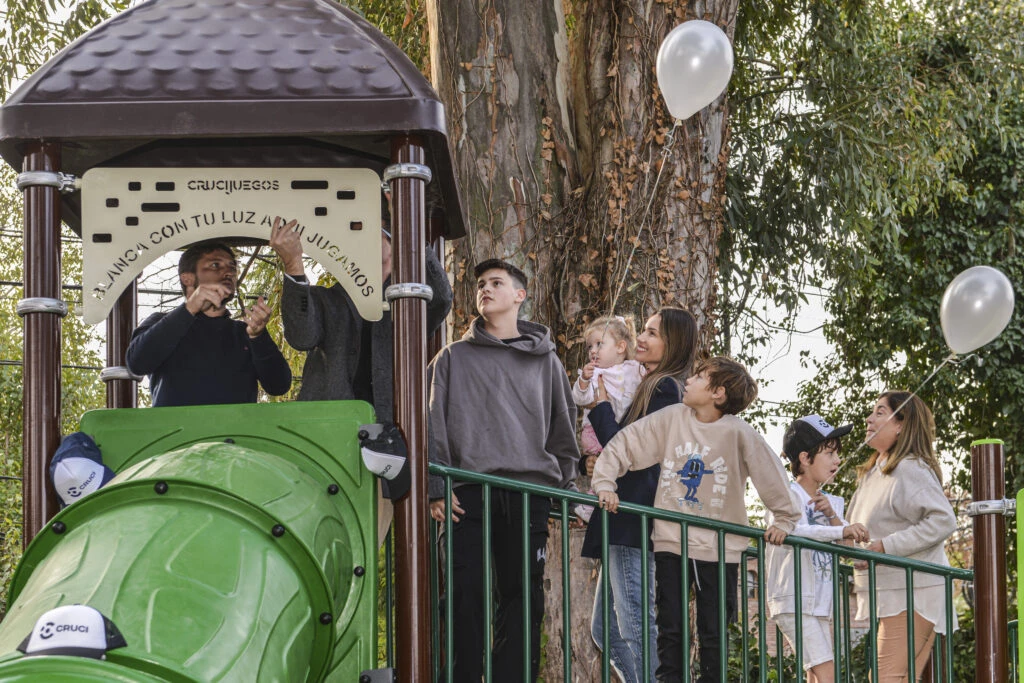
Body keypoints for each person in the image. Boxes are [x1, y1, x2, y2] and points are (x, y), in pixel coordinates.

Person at [593, 356, 801, 683]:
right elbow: (628, 443)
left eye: (700, 376)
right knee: (671, 630)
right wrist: (606, 482)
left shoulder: (738, 433)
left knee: (714, 633)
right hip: (672, 542)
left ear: (718, 393)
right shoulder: (673, 417)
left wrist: (784, 519)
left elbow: (770, 473)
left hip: (719, 550)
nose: (689, 380)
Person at [426, 258, 580, 683]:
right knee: (464, 594)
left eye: (496, 282)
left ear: (519, 295)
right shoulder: (452, 357)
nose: (485, 289)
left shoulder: (546, 361)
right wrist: (436, 486)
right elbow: (430, 424)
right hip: (466, 493)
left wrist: (565, 491)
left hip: (528, 494)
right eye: (480, 284)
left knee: (523, 599)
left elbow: (563, 427)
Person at [579, 307, 698, 683]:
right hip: (623, 517)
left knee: (634, 626)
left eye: (652, 333)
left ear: (673, 343)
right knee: (606, 631)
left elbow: (632, 455)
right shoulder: (647, 384)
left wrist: (600, 409)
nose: (641, 339)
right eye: (643, 331)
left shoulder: (666, 389)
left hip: (634, 517)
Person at [269, 216, 452, 421]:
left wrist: (412, 236)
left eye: (372, 231)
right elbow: (301, 338)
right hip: (330, 429)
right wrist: (293, 265)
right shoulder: (328, 300)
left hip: (397, 427)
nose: (363, 241)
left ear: (393, 241)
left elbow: (442, 299)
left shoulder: (407, 301)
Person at [846, 392, 958, 682]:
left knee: (885, 678)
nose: (869, 419)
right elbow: (856, 532)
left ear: (901, 424)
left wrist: (885, 547)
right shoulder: (872, 474)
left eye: (879, 412)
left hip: (914, 593)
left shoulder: (910, 467)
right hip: (894, 592)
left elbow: (943, 520)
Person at [765, 415, 870, 683]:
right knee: (827, 675)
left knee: (816, 676)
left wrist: (834, 518)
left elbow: (847, 548)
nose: (837, 461)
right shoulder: (786, 494)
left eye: (837, 454)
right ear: (805, 458)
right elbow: (795, 530)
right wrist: (841, 530)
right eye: (830, 453)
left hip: (820, 604)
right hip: (793, 599)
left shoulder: (832, 501)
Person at [126, 241, 291, 407]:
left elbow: (279, 386)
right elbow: (137, 364)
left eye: (232, 267)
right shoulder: (161, 323)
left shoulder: (245, 332)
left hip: (235, 425)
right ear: (188, 279)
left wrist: (259, 337)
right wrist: (190, 308)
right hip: (175, 425)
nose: (229, 272)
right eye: (215, 265)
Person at [571, 315, 641, 524]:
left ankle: (593, 506)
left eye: (599, 344)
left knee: (611, 469)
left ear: (620, 347)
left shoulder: (635, 368)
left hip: (619, 429)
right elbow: (581, 399)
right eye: (590, 346)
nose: (593, 350)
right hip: (595, 433)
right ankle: (588, 508)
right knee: (605, 467)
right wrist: (584, 380)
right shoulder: (595, 373)